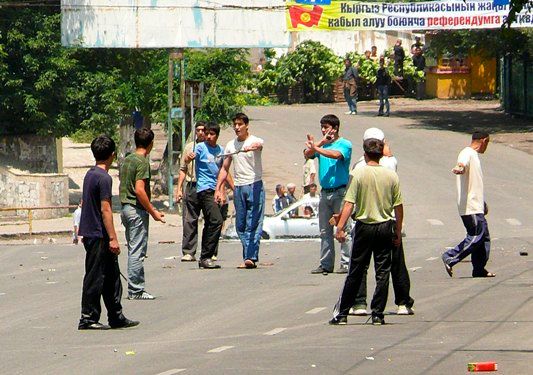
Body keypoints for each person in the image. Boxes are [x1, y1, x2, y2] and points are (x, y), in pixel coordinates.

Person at [329, 138, 403, 326]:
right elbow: (399, 207)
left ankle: (342, 313)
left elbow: (349, 203)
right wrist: (398, 231)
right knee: (383, 271)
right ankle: (378, 313)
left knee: (356, 270)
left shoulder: (358, 174)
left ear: (364, 154)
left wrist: (340, 227)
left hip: (364, 226)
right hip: (386, 226)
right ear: (381, 155)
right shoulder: (391, 176)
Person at [350, 128, 414, 316]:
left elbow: (351, 197)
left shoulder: (358, 166)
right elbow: (398, 202)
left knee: (360, 265)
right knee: (393, 265)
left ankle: (359, 303)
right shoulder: (390, 163)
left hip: (364, 222)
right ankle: (402, 302)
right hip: (388, 222)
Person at [78, 135, 139, 330]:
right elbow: (106, 209)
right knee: (95, 276)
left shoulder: (90, 174)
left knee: (112, 277)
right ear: (112, 155)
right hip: (98, 234)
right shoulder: (104, 178)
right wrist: (113, 238)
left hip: (92, 232)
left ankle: (116, 315)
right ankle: (88, 317)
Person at [119, 128, 165, 300]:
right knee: (137, 250)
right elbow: (139, 190)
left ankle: (134, 287)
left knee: (133, 248)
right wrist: (153, 211)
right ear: (151, 143)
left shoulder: (127, 160)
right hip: (136, 210)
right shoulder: (142, 162)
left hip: (125, 208)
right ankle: (136, 289)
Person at [215, 113, 265, 269]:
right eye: (235, 125)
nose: (237, 127)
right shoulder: (231, 145)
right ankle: (248, 253)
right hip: (239, 187)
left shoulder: (255, 140)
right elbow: (224, 168)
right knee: (241, 225)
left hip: (254, 185)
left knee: (254, 222)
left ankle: (250, 256)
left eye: (240, 124)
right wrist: (219, 189)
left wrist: (252, 148)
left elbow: (260, 146)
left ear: (246, 125)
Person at [442, 131, 494, 278]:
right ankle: (450, 256)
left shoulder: (474, 156)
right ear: (483, 140)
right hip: (470, 207)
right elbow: (461, 163)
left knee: (484, 238)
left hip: (475, 205)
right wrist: (460, 167)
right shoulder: (467, 152)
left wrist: (482, 203)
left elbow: (473, 183)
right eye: (487, 143)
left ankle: (479, 269)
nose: (486, 147)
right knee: (476, 236)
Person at [305, 114, 352, 275]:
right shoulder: (322, 145)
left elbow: (336, 155)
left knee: (343, 227)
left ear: (335, 128)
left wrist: (317, 147)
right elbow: (307, 154)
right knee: (325, 230)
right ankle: (326, 264)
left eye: (326, 127)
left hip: (340, 192)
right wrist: (320, 143)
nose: (323, 130)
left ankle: (346, 263)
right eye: (322, 127)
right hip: (325, 193)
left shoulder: (345, 144)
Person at [184, 122, 225, 269]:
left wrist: (223, 190)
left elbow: (223, 171)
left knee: (210, 222)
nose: (208, 136)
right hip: (204, 190)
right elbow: (188, 160)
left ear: (217, 135)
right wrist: (189, 157)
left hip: (216, 190)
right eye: (207, 133)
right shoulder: (200, 147)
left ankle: (206, 257)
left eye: (211, 134)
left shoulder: (221, 150)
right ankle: (206, 256)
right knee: (216, 220)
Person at [175, 121, 206, 262]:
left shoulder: (211, 147)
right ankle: (189, 251)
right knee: (189, 220)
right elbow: (182, 169)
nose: (200, 132)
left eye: (203, 130)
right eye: (198, 130)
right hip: (192, 185)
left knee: (211, 220)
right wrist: (179, 189)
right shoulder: (189, 147)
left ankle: (209, 251)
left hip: (207, 186)